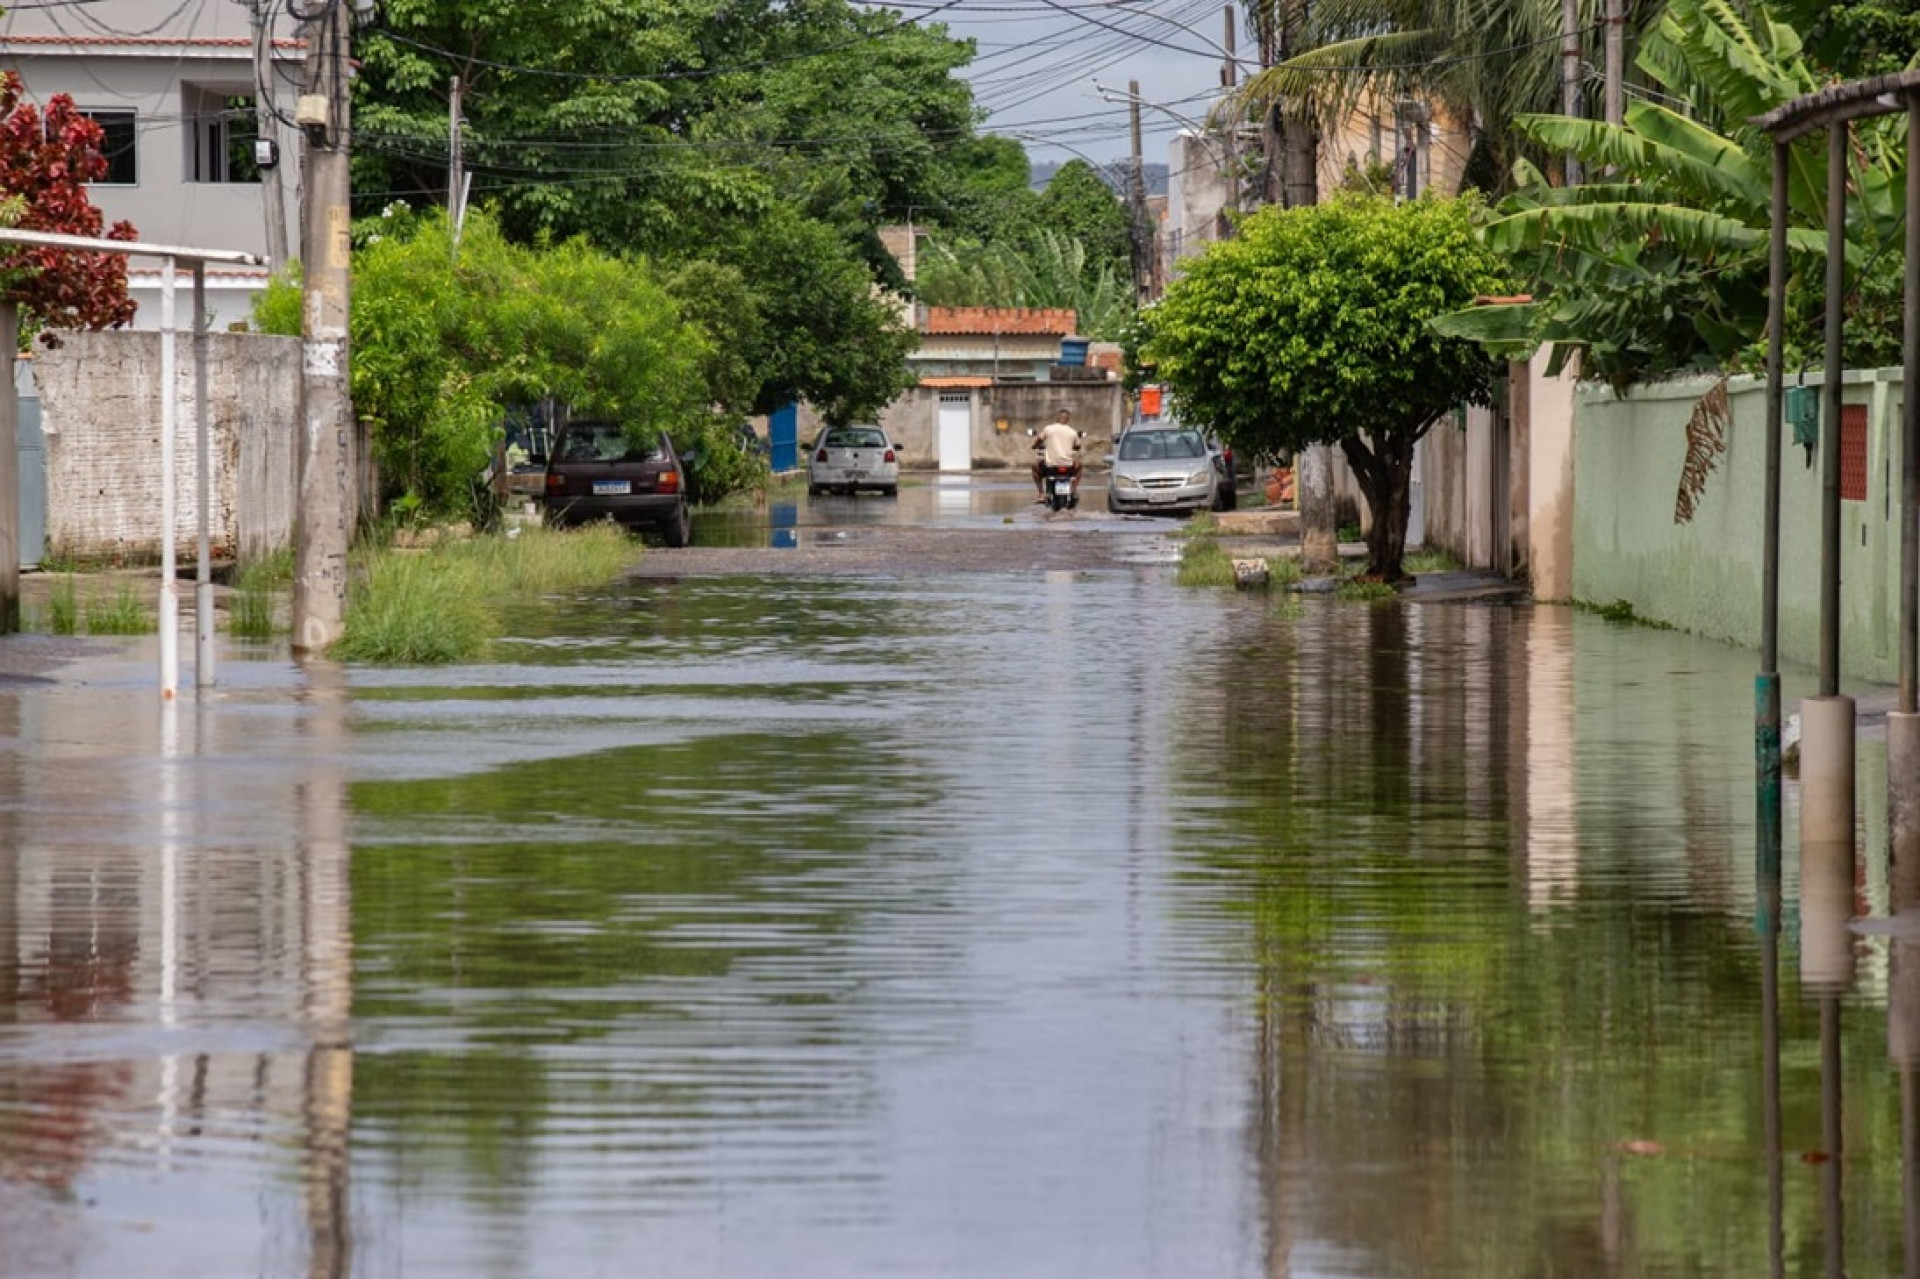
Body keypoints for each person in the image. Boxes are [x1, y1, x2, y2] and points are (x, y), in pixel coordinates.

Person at [1031, 409, 1083, 502]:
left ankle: (1041, 493)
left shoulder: (1049, 429)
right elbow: (1078, 446)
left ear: (1057, 418)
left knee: (1035, 467)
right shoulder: (1072, 432)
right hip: (1068, 466)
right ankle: (1073, 490)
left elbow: (1039, 439)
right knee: (1079, 466)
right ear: (1067, 419)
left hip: (1051, 466)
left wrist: (1034, 446)